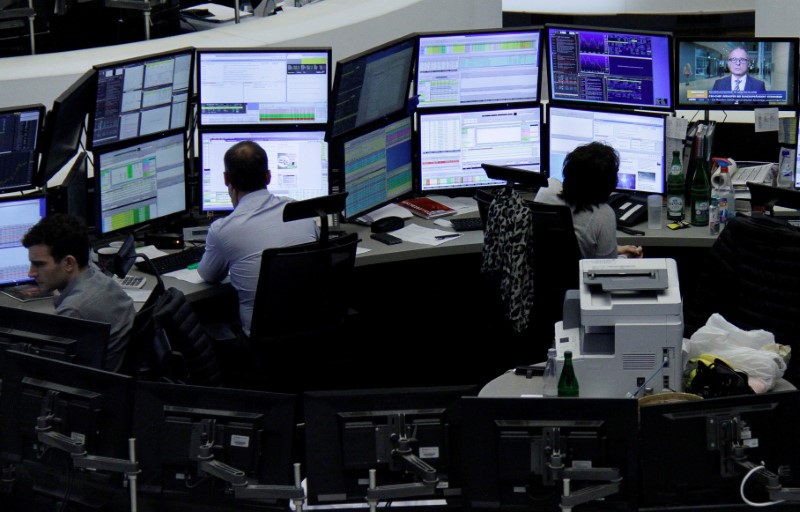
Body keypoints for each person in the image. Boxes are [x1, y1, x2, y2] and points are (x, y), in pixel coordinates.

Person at [197, 140, 318, 336]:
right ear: (269, 176)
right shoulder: (300, 211)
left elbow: (209, 275)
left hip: (263, 342)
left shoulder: (223, 230)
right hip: (315, 329)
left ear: (226, 178)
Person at [22, 213, 136, 372]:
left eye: (39, 264)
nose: (31, 273)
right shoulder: (101, 279)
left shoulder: (73, 311)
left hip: (89, 389)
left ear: (69, 263)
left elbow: (45, 370)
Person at [535, 141, 643, 260]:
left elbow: (556, 250)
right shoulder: (604, 215)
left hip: (536, 275)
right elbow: (604, 271)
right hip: (578, 278)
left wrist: (615, 249)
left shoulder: (547, 188)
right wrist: (626, 258)